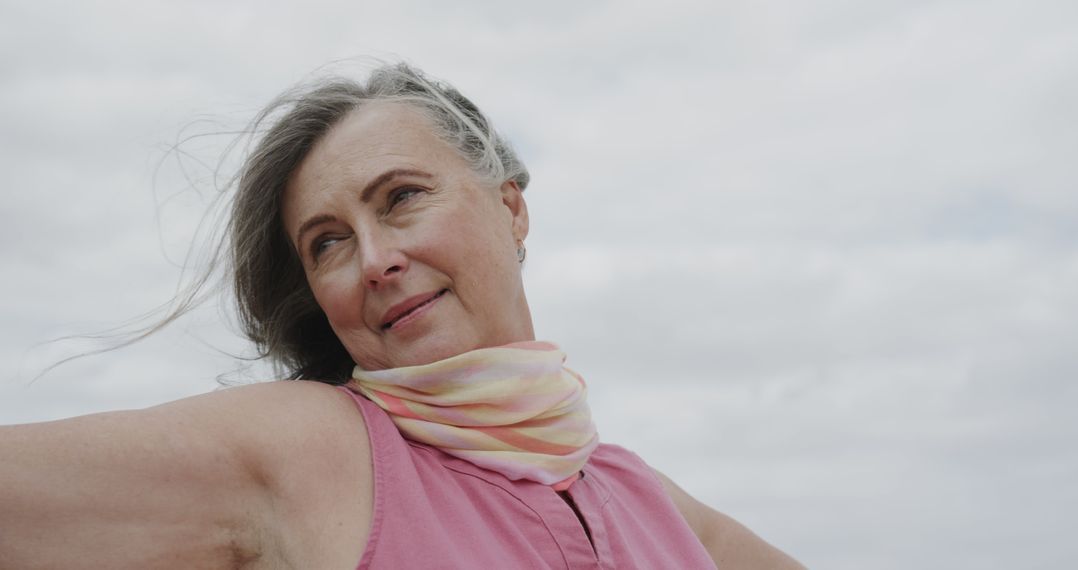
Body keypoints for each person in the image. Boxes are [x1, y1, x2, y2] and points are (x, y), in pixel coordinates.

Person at [0, 62, 804, 569]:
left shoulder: (644, 497)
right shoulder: (311, 449)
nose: (377, 257)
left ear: (511, 208)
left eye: (403, 198)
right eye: (328, 243)